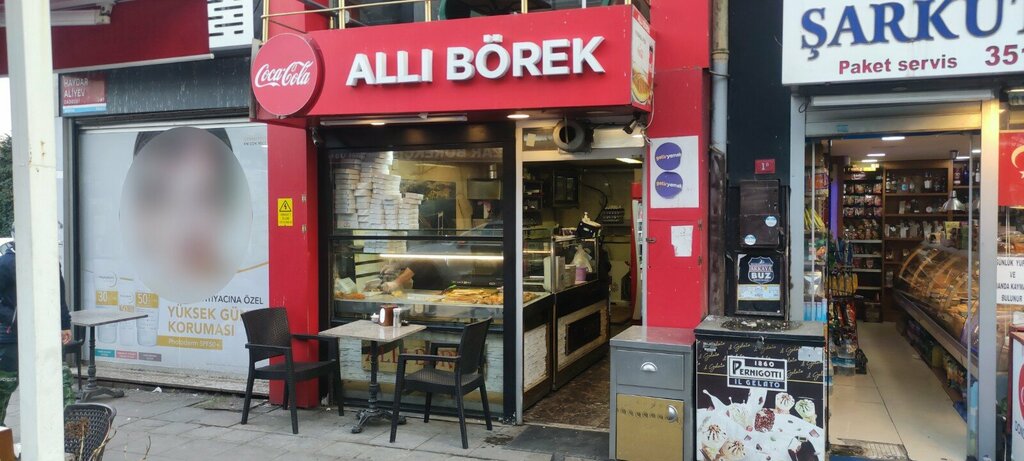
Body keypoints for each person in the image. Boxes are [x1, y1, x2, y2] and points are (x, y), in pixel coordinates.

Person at [0, 231, 75, 425]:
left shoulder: (50, 260)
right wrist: (19, 320)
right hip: (12, 336)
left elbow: (58, 293)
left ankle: (70, 434)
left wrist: (64, 323)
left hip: (45, 334)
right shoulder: (6, 264)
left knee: (61, 381)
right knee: (5, 386)